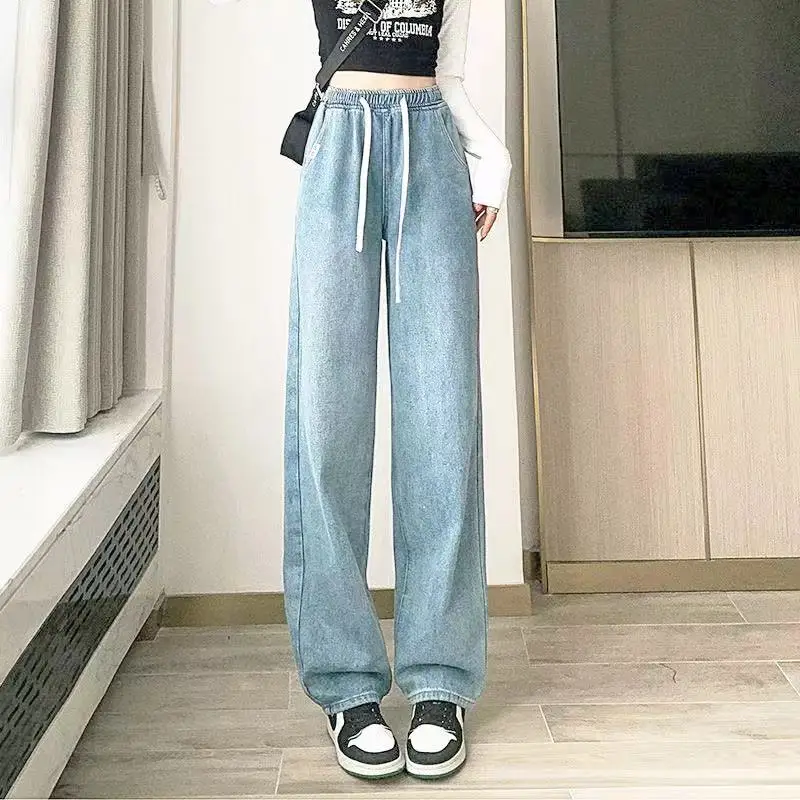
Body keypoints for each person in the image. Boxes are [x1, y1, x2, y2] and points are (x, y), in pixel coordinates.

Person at [286, 0, 512, 781]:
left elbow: (447, 75)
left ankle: (440, 680)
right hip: (338, 145)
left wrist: (491, 162)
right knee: (328, 422)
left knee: (442, 422)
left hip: (431, 147)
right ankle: (347, 684)